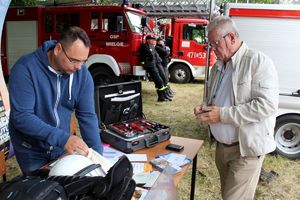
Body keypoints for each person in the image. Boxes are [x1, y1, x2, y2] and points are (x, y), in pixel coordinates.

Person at [194, 16, 279, 200]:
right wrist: (205, 108)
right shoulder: (218, 66)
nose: (212, 49)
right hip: (222, 148)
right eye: (210, 44)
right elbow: (217, 99)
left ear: (231, 37)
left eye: (215, 43)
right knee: (228, 195)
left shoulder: (258, 62)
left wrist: (222, 115)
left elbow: (266, 105)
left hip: (245, 151)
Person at [8, 26, 103, 174]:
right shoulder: (25, 69)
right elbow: (22, 117)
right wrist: (63, 139)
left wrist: (97, 157)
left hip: (61, 147)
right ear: (58, 49)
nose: (79, 67)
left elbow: (87, 116)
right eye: (74, 60)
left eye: (83, 61)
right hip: (32, 148)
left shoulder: (82, 74)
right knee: (42, 191)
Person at [140, 35, 171, 102]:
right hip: (149, 66)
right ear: (148, 40)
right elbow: (143, 56)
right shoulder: (144, 46)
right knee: (159, 81)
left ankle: (162, 96)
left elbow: (155, 56)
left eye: (154, 39)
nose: (153, 40)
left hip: (154, 66)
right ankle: (161, 97)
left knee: (160, 81)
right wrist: (144, 64)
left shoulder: (152, 46)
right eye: (152, 39)